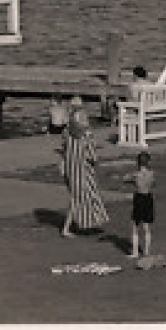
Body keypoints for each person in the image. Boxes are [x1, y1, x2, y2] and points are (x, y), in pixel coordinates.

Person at [59, 99, 109, 237]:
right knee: (85, 196)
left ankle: (85, 223)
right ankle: (68, 227)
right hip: (83, 168)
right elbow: (92, 155)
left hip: (70, 168)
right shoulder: (86, 135)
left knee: (78, 196)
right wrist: (95, 161)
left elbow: (64, 150)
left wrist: (62, 164)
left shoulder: (66, 132)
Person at [125, 150, 156, 259]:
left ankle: (135, 252)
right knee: (147, 226)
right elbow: (153, 183)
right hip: (148, 198)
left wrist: (132, 179)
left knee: (135, 226)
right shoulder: (151, 173)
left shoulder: (136, 175)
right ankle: (147, 251)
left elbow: (125, 179)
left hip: (139, 198)